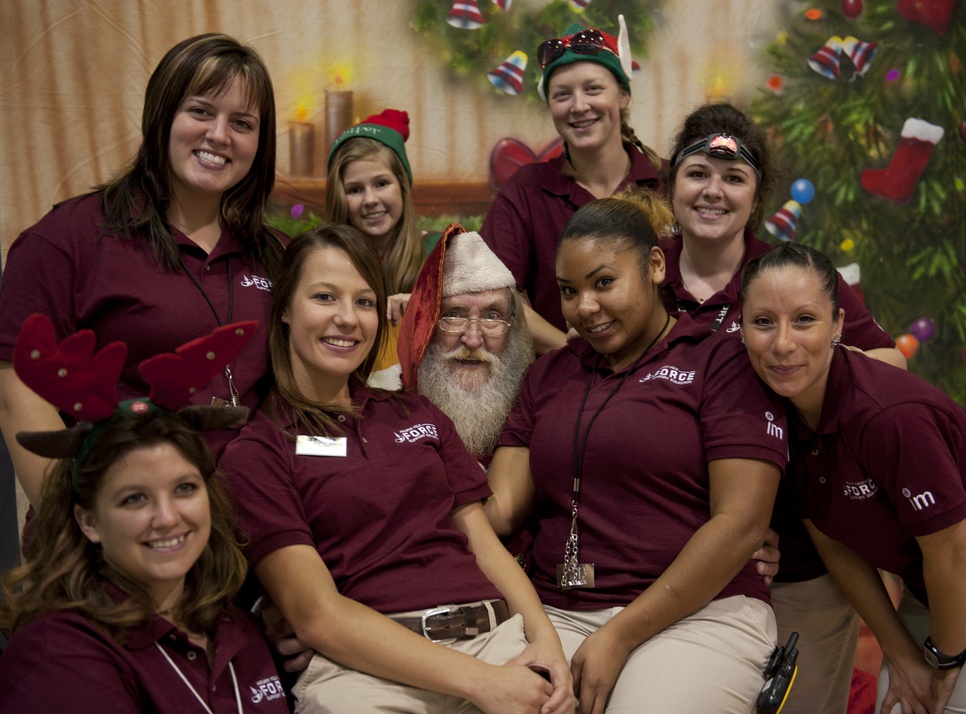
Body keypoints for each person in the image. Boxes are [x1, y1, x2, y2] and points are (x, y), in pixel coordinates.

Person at [219, 224, 574, 714]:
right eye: (325, 297)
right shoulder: (257, 451)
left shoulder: (417, 413)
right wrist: (483, 684)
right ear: (283, 308)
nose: (347, 319)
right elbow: (317, 616)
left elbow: (484, 546)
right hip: (368, 673)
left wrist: (545, 640)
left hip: (494, 640)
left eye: (364, 302)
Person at [486, 193, 788, 714]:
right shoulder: (548, 375)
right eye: (568, 291)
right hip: (555, 613)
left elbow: (741, 522)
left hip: (700, 615)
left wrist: (620, 635)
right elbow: (501, 508)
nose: (585, 308)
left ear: (653, 266)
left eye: (604, 282)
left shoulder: (721, 362)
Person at [661, 101, 905, 714]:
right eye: (698, 174)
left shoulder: (788, 275)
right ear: (671, 184)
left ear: (756, 195)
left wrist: (786, 360)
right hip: (666, 551)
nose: (713, 191)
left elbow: (891, 365)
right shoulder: (641, 273)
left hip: (799, 556)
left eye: (734, 178)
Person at [0, 33, 285, 508]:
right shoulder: (67, 238)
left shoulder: (276, 253)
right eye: (200, 111)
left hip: (251, 533)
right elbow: (18, 396)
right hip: (117, 536)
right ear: (161, 114)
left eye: (242, 122)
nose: (219, 134)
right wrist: (76, 529)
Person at [740, 241, 966, 714]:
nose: (782, 344)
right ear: (741, 329)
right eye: (763, 322)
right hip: (932, 598)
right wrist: (901, 653)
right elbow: (833, 543)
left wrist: (944, 660)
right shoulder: (779, 415)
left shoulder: (887, 416)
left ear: (838, 324)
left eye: (804, 319)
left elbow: (954, 550)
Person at [0, 317, 287, 713]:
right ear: (89, 521)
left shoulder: (235, 625)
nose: (167, 517)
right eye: (135, 499)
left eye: (184, 488)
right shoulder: (59, 655)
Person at [481, 16, 664, 353]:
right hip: (563, 381)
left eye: (593, 89)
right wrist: (569, 351)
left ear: (623, 95)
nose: (579, 106)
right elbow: (497, 293)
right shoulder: (527, 189)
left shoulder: (670, 183)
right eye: (562, 94)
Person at [369, 224, 535, 464]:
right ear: (425, 327)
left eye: (492, 316)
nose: (473, 339)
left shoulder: (532, 407)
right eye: (454, 315)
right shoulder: (379, 403)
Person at [325, 108, 438, 373]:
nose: (370, 200)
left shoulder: (438, 251)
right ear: (338, 196)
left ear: (403, 185)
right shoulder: (324, 260)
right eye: (354, 189)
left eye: (381, 184)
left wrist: (425, 309)